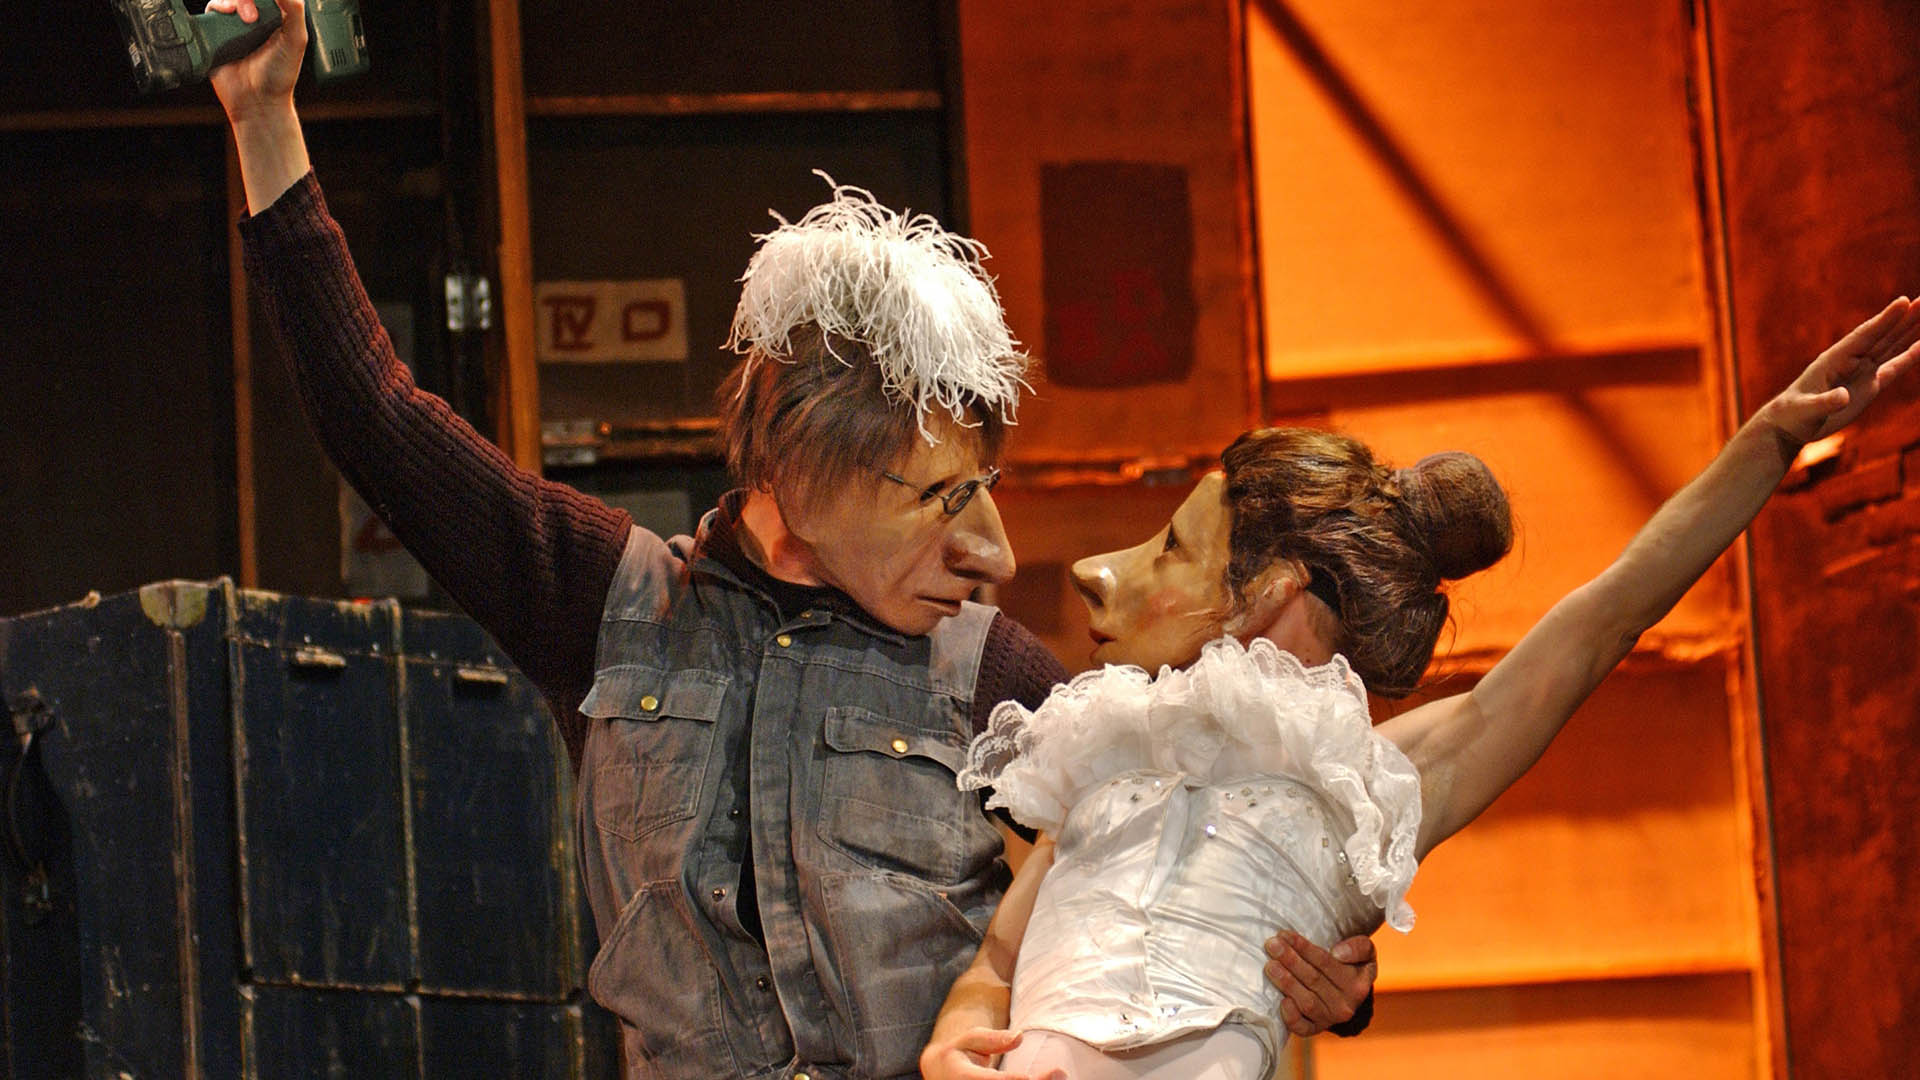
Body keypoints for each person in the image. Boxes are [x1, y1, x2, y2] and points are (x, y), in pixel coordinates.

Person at [203, 1, 1379, 1074]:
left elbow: (1182, 859)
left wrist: (1334, 972)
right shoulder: (612, 608)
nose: (993, 553)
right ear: (799, 471)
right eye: (939, 499)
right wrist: (264, 115)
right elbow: (377, 416)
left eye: (984, 489)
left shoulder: (990, 677)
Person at [921, 297, 1920, 1079]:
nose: (1100, 570)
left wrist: (1768, 443)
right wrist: (953, 1039)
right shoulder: (1107, 751)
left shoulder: (1372, 785)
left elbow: (1603, 621)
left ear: (1267, 592)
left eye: (1176, 548)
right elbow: (995, 969)